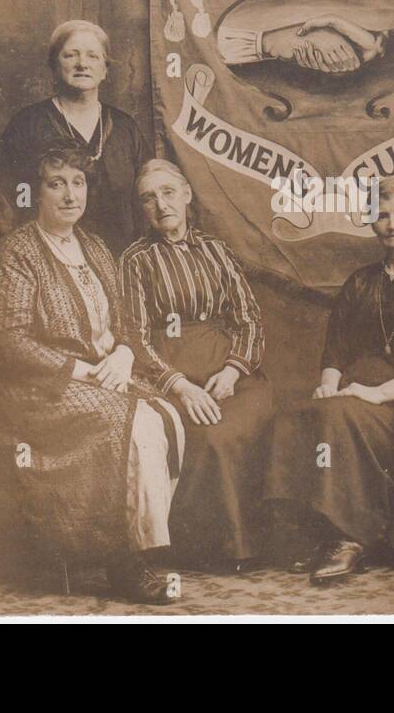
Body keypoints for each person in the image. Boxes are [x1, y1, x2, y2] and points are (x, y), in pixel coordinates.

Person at [0, 144, 183, 604]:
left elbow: (128, 323)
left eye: (78, 182)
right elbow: (8, 340)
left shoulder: (94, 246)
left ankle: (137, 550)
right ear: (35, 193)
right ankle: (130, 564)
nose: (70, 195)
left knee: (166, 416)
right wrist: (79, 369)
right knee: (133, 422)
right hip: (39, 387)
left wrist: (125, 355)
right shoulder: (19, 251)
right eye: (56, 183)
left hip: (102, 376)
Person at [263, 177, 394, 584]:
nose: (393, 224)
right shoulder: (361, 281)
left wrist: (376, 394)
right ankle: (308, 531)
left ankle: (350, 537)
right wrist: (329, 384)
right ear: (371, 223)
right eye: (382, 215)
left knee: (337, 418)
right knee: (294, 416)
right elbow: (335, 349)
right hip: (353, 390)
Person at [119, 159, 273, 570]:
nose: (161, 204)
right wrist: (179, 386)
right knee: (211, 437)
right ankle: (219, 549)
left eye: (168, 193)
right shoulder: (135, 260)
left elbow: (249, 318)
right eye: (148, 198)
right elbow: (133, 335)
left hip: (228, 371)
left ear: (187, 195)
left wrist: (234, 369)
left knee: (253, 422)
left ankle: (271, 541)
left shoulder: (216, 250)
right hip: (170, 377)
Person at [0, 20, 151, 256]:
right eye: (70, 55)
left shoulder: (126, 128)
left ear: (105, 69)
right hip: (47, 261)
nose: (82, 63)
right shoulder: (27, 125)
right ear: (54, 66)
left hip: (121, 259)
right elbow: (4, 202)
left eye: (92, 56)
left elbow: (146, 197)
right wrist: (19, 258)